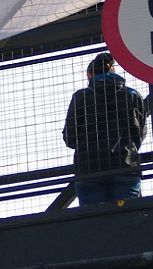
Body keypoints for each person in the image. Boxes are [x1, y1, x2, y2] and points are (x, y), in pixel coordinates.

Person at [63, 52, 147, 205]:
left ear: (90, 75)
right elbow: (139, 134)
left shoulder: (80, 97)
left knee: (94, 223)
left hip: (89, 166)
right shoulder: (132, 95)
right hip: (126, 165)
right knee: (128, 221)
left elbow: (70, 137)